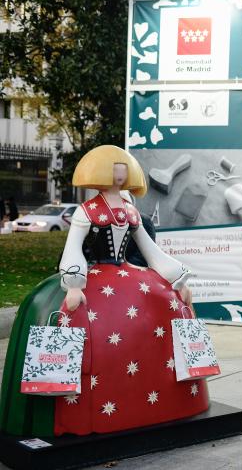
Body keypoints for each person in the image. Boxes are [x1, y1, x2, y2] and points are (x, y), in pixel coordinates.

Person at [0, 145, 207, 437]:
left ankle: (156, 405)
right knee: (78, 322)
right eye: (114, 170)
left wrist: (179, 280)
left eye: (123, 171)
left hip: (130, 276)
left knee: (165, 308)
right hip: (97, 276)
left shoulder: (131, 211)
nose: (119, 176)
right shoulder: (88, 210)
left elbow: (150, 250)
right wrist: (73, 283)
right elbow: (73, 247)